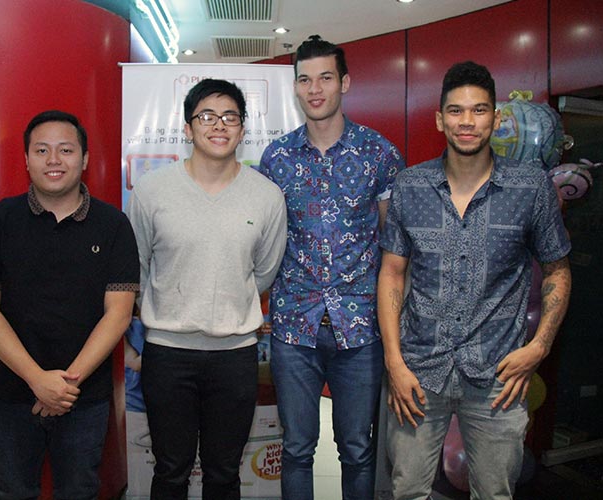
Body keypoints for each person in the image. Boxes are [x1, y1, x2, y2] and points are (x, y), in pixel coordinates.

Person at [378, 61, 572, 499]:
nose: (467, 122)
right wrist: (394, 361)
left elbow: (558, 270)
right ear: (439, 118)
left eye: (479, 110)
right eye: (456, 110)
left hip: (499, 378)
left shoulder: (531, 187)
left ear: (496, 119)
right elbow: (392, 273)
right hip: (419, 371)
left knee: (494, 492)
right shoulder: (410, 185)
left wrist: (539, 347)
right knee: (407, 490)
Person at [0, 110, 139, 499]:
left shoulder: (113, 226)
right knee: (12, 492)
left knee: (79, 492)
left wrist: (65, 386)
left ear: (86, 159)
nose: (54, 160)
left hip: (84, 397)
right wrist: (37, 380)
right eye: (42, 150)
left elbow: (119, 313)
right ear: (26, 160)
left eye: (65, 149)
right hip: (10, 393)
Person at [258, 35, 405, 499]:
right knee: (297, 448)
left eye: (325, 77)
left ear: (344, 82)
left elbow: (394, 245)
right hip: (293, 328)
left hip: (360, 327)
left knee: (357, 449)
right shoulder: (276, 159)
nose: (315, 88)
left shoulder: (378, 153)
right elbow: (264, 238)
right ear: (295, 88)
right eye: (305, 79)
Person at [126, 78, 287, 500]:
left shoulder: (267, 196)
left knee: (224, 474)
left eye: (230, 117)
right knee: (171, 471)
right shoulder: (151, 191)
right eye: (207, 116)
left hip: (234, 357)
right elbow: (137, 268)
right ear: (187, 127)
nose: (220, 125)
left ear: (242, 128)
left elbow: (265, 271)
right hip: (167, 353)